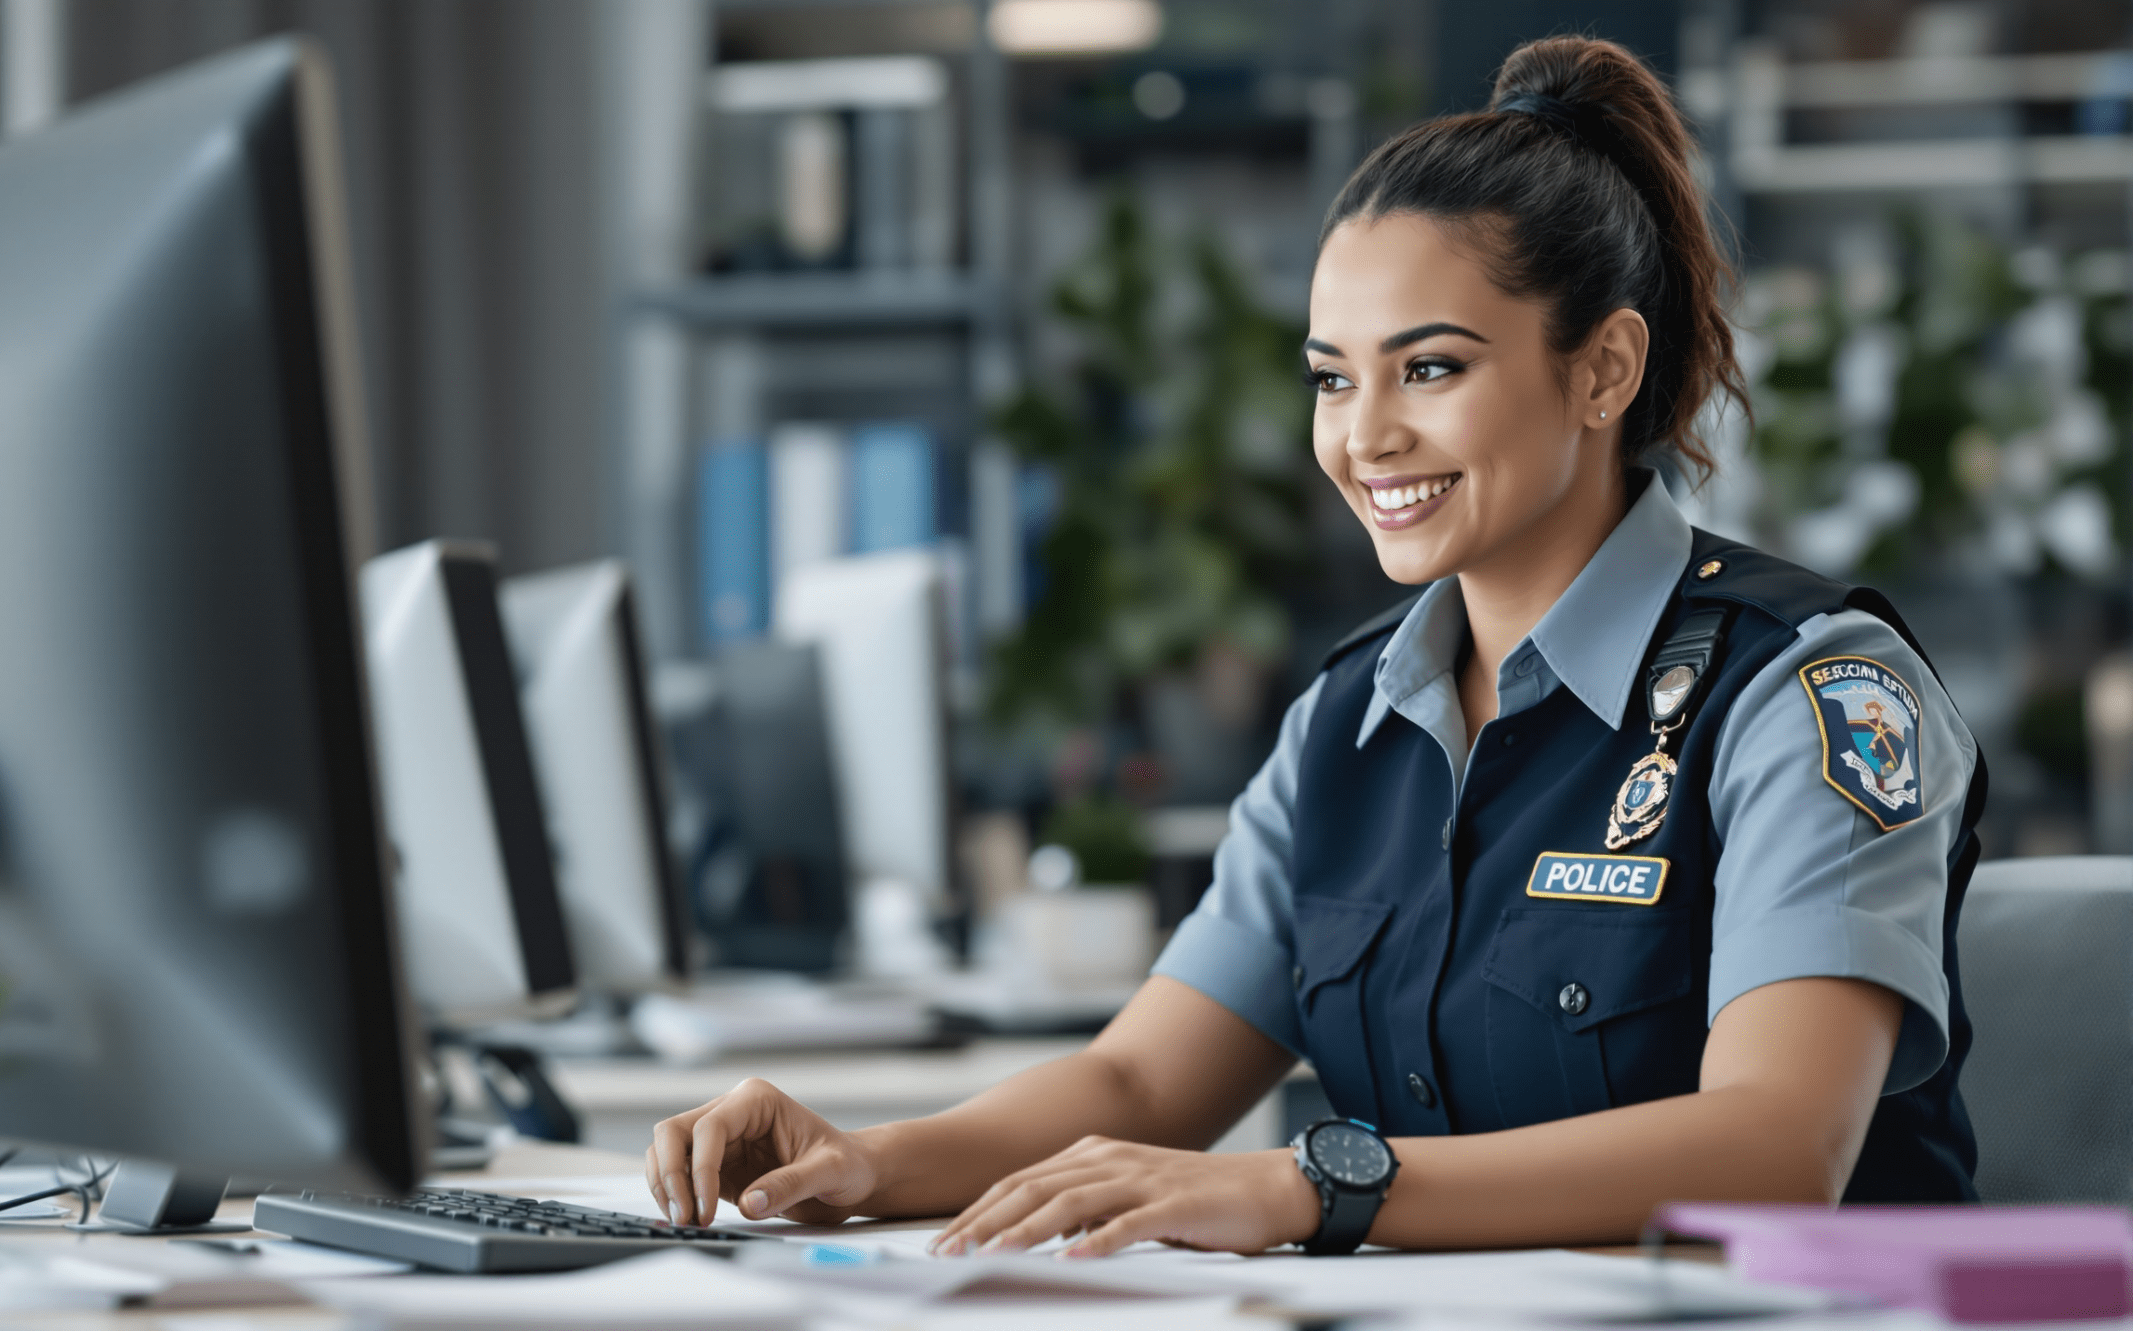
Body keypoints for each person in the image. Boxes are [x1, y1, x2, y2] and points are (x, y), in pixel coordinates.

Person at [647, 34, 1984, 1256]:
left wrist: (1317, 1184)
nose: (1364, 436)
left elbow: (1777, 1145)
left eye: (1433, 368)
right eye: (1334, 378)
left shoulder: (1805, 690)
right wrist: (864, 1159)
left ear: (1603, 370)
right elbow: (1140, 1083)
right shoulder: (1351, 719)